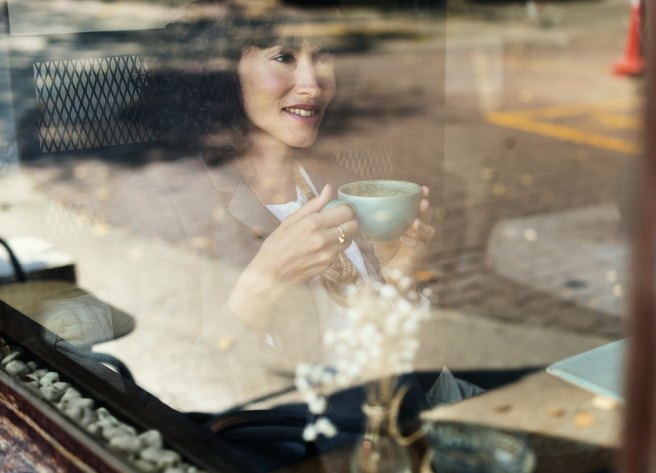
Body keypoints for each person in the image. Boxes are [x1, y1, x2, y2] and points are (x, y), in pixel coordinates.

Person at [139, 1, 439, 467]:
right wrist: (265, 283)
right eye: (284, 57)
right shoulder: (170, 205)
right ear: (219, 72)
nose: (312, 82)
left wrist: (398, 276)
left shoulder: (340, 185)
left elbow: (382, 363)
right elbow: (165, 397)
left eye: (321, 56)